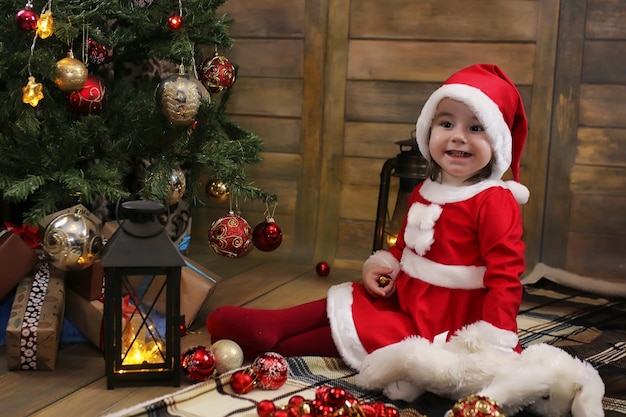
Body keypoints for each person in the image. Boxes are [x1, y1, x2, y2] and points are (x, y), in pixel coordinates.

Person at [206, 63, 530, 369]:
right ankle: (277, 323)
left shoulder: (494, 201)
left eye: (475, 127)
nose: (458, 136)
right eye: (447, 123)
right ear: (429, 129)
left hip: (449, 320)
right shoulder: (426, 190)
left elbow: (505, 276)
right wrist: (384, 266)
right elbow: (405, 247)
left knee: (376, 333)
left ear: (498, 142)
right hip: (409, 298)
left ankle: (275, 345)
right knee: (353, 297)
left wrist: (495, 337)